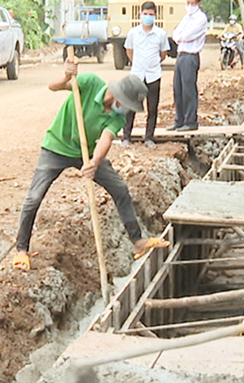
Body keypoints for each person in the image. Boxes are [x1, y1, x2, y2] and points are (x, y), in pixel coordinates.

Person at [12, 62, 170, 271]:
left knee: (120, 189)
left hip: (86, 154)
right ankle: (21, 250)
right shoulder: (90, 83)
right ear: (119, 98)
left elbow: (106, 138)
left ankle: (138, 241)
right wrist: (66, 77)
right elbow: (53, 86)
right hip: (56, 147)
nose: (127, 110)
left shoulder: (118, 116)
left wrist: (94, 163)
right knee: (34, 197)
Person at [123, 0, 168, 148]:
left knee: (152, 107)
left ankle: (149, 137)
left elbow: (163, 54)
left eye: (151, 14)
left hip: (153, 75)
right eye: (145, 14)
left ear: (155, 15)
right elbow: (129, 51)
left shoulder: (161, 34)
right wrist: (138, 63)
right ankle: (126, 137)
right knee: (131, 107)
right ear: (140, 14)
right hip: (136, 75)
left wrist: (152, 63)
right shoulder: (133, 33)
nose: (148, 17)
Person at [169, 0, 208, 132]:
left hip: (191, 56)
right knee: (178, 89)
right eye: (188, 3)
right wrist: (179, 36)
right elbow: (175, 33)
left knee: (188, 89)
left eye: (193, 3)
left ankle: (191, 121)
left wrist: (180, 36)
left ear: (199, 3)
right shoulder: (186, 18)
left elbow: (188, 35)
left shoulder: (201, 18)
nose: (190, 6)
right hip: (181, 55)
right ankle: (179, 120)